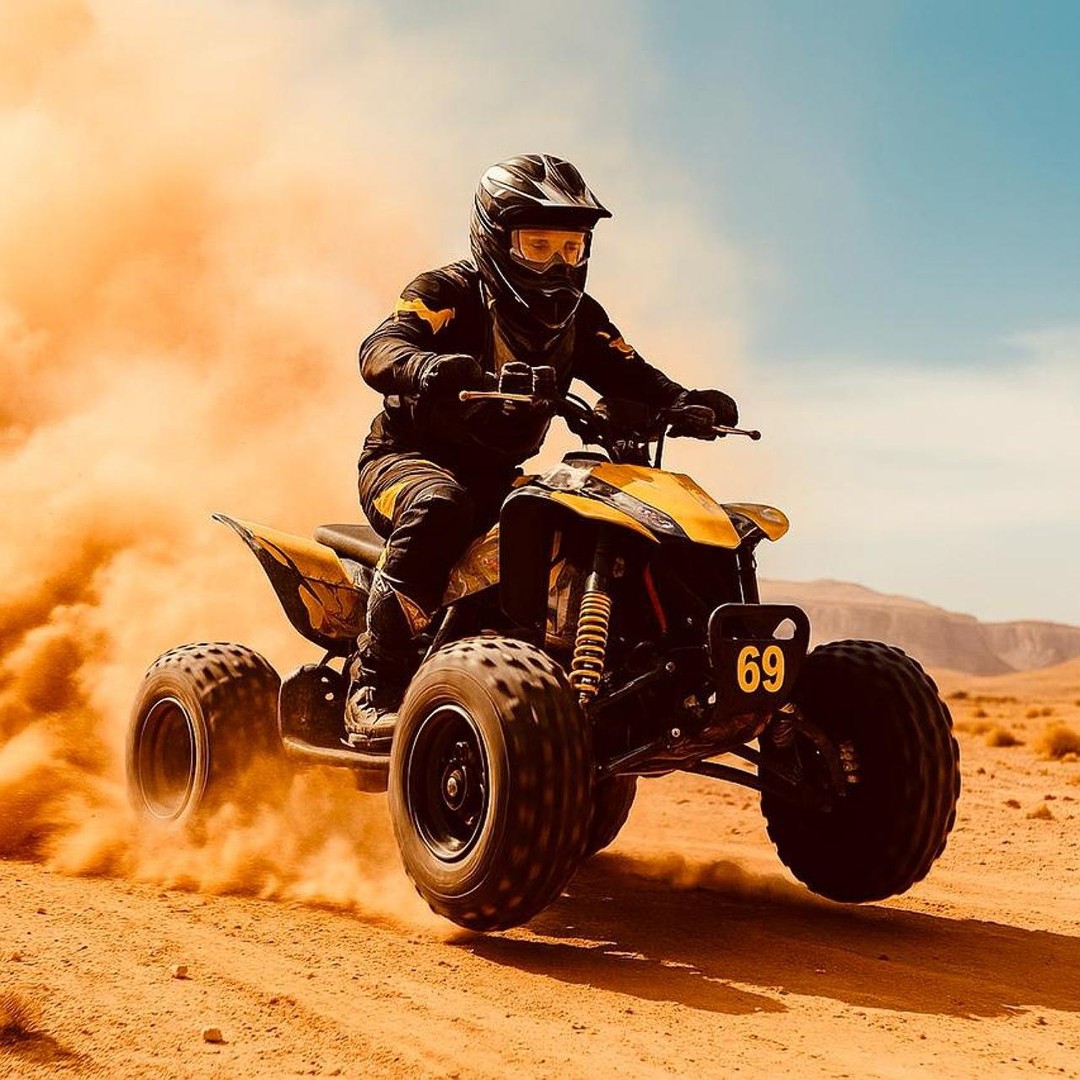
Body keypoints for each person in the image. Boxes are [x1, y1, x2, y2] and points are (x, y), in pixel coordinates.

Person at [346, 153, 738, 742]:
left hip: (499, 476)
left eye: (572, 248)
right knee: (441, 506)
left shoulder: (582, 319)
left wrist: (683, 403)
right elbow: (379, 348)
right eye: (538, 245)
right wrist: (425, 367)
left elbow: (633, 377)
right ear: (495, 239)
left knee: (571, 515)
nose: (558, 265)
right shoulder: (445, 291)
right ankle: (371, 684)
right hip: (403, 462)